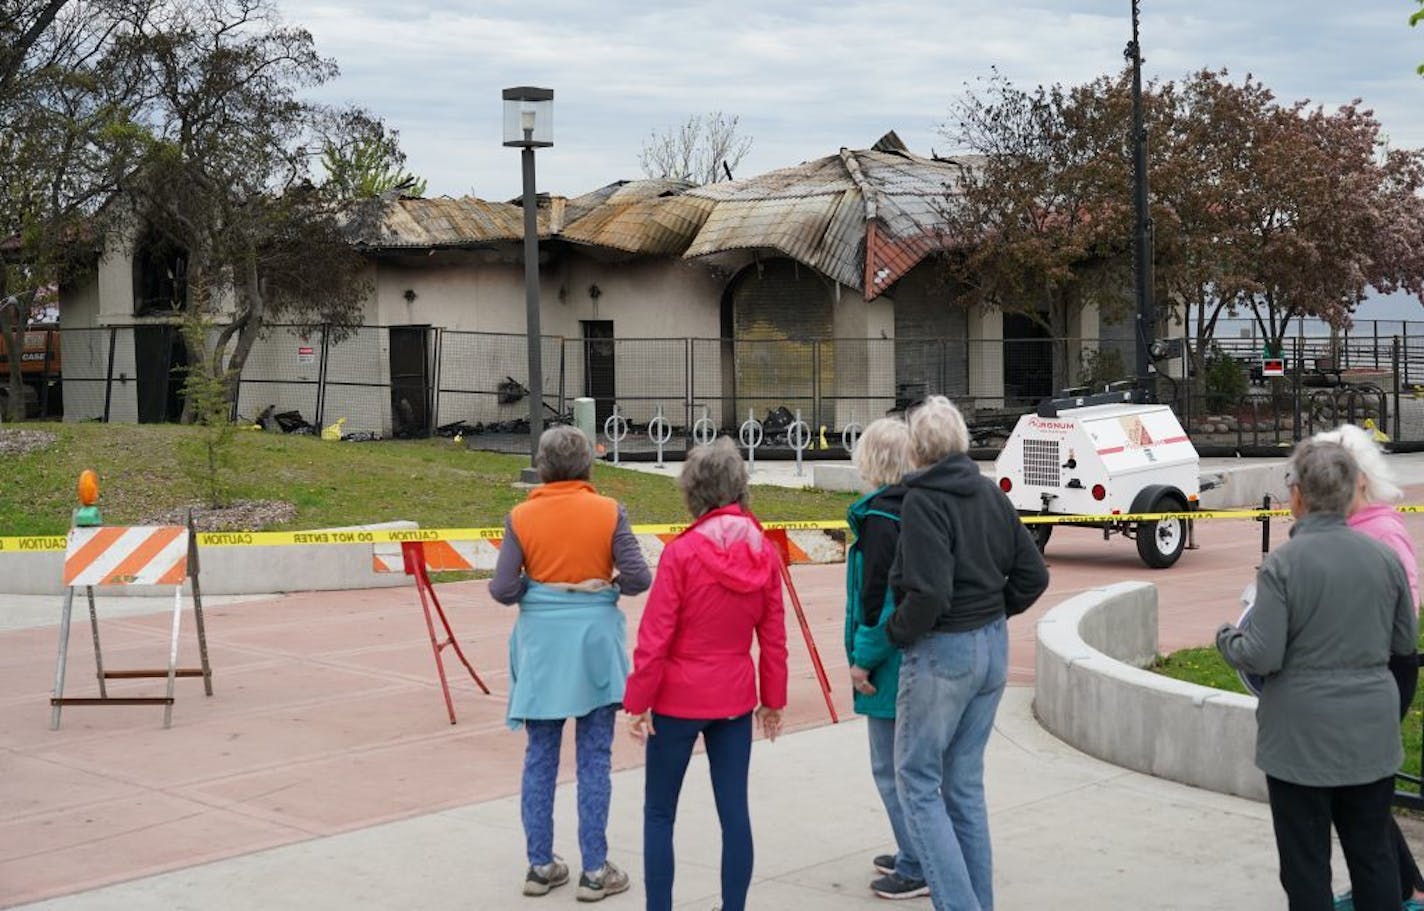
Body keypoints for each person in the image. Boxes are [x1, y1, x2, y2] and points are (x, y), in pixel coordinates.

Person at [1217, 438, 1417, 911]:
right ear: (1352, 493)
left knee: (1306, 864)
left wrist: (1227, 638)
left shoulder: (1283, 565)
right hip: (1369, 732)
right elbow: (1404, 643)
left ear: (1299, 496)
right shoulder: (1384, 558)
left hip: (1298, 739)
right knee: (1372, 856)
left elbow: (1262, 653)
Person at [886, 396, 1050, 911]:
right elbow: (1033, 574)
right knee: (963, 784)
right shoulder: (988, 494)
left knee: (916, 781)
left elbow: (929, 592)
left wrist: (896, 632)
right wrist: (993, 609)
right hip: (991, 647)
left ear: (916, 448)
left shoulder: (922, 502)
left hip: (943, 652)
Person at [488, 425, 652, 902]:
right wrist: (608, 590)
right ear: (587, 465)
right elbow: (639, 576)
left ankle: (540, 865)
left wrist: (534, 595)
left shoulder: (521, 516)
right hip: (595, 644)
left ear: (542, 466)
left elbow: (501, 588)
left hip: (542, 646)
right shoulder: (608, 511)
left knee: (540, 757)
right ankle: (596, 871)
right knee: (595, 757)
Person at [623, 437, 788, 911]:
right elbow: (773, 637)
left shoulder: (682, 553)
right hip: (734, 699)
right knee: (734, 813)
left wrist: (637, 701)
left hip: (677, 699)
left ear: (694, 491)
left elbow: (655, 637)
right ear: (739, 488)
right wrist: (772, 699)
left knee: (659, 814)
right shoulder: (763, 551)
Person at [1315, 424, 1424, 911]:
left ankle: (1400, 887)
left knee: (1358, 789)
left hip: (1380, 671)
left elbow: (1406, 611)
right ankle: (1402, 884)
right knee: (1358, 789)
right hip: (1358, 673)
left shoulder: (1379, 532)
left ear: (1360, 479)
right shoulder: (1350, 527)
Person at [842, 417, 925, 900]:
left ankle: (916, 861)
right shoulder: (915, 508)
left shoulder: (878, 520)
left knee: (892, 768)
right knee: (912, 764)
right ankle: (913, 846)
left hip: (888, 661)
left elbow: (877, 600)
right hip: (917, 653)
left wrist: (864, 658)